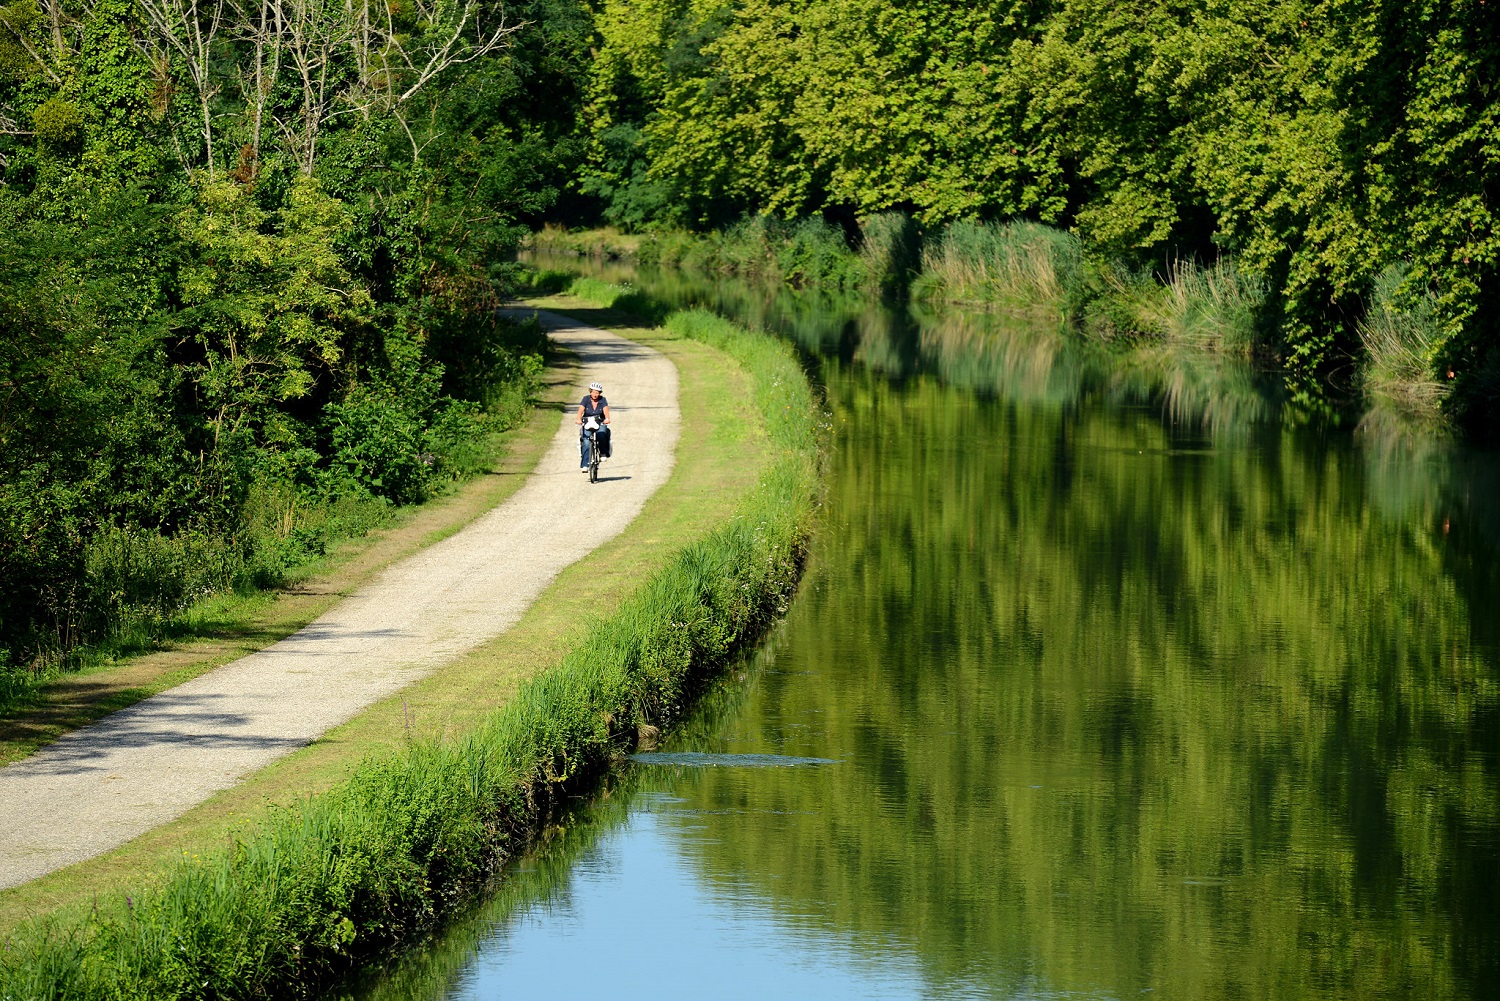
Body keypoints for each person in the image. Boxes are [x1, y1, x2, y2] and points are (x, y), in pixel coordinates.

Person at [576, 381, 611, 471]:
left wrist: (607, 418)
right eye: (594, 392)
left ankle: (603, 453)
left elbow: (605, 410)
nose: (595, 394)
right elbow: (581, 410)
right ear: (590, 392)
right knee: (586, 441)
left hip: (599, 421)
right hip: (587, 422)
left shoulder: (602, 400)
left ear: (600, 393)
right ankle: (585, 465)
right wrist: (578, 419)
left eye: (597, 392)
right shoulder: (585, 399)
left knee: (602, 434)